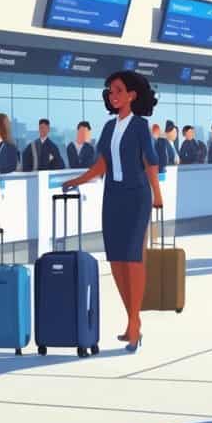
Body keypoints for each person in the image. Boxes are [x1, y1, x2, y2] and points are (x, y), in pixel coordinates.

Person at [62, 70, 163, 353]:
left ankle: (133, 323)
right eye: (110, 91)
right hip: (113, 198)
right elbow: (101, 166)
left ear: (132, 94)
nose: (113, 95)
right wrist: (77, 180)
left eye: (118, 90)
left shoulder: (141, 126)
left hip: (137, 197)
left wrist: (157, 193)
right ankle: (134, 320)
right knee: (117, 261)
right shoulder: (108, 128)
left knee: (133, 259)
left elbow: (150, 161)